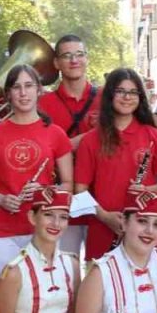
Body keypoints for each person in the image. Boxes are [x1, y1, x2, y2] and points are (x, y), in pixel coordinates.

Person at [0, 64, 73, 284]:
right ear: (8, 94)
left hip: (42, 227)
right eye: (17, 87)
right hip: (1, 229)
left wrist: (46, 192)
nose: (23, 93)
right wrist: (0, 199)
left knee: (40, 291)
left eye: (29, 86)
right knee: (4, 292)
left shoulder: (56, 134)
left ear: (39, 90)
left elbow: (68, 184)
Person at [73, 68, 157, 260]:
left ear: (140, 97)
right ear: (110, 95)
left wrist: (147, 190)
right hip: (103, 230)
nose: (127, 97)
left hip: (146, 229)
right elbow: (79, 191)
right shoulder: (91, 140)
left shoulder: (153, 135)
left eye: (133, 92)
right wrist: (104, 217)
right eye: (120, 91)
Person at [38, 35, 100, 255]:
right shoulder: (42, 103)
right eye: (67, 55)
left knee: (101, 272)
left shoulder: (107, 98)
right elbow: (38, 150)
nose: (74, 60)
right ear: (56, 63)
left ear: (86, 58)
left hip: (100, 197)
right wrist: (79, 141)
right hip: (58, 200)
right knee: (62, 270)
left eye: (79, 54)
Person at [0, 187, 81, 313]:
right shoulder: (14, 272)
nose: (56, 223)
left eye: (63, 217)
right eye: (48, 215)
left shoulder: (72, 265)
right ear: (32, 217)